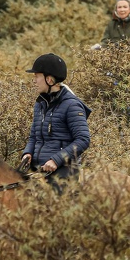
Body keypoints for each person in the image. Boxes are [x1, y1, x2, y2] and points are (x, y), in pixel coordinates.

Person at [20, 53, 91, 193]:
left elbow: (83, 139)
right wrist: (27, 152)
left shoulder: (72, 105)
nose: (34, 81)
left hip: (64, 171)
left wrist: (56, 160)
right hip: (38, 168)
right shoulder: (40, 104)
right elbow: (34, 136)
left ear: (50, 80)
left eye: (36, 76)